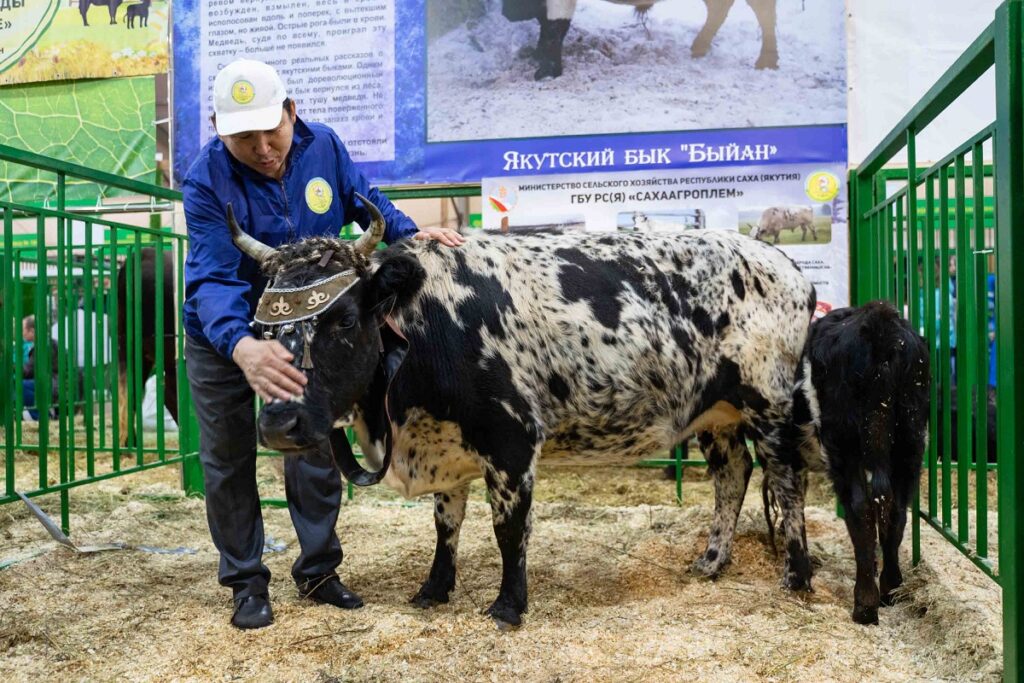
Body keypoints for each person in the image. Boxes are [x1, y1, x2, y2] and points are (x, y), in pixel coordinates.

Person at [182, 58, 463, 630]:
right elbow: (213, 277)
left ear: (292, 111)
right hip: (225, 336)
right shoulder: (205, 179)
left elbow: (366, 201)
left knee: (312, 442)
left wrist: (410, 233)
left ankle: (317, 571)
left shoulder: (325, 146)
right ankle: (245, 581)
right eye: (242, 137)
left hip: (307, 331)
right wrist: (241, 345)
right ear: (217, 128)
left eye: (272, 130)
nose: (263, 148)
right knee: (228, 455)